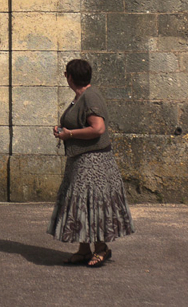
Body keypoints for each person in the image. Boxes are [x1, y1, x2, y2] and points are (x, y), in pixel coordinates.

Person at [49, 59, 135, 267]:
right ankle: (84, 249)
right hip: (81, 161)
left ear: (69, 76)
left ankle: (101, 248)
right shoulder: (80, 97)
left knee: (92, 204)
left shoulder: (90, 96)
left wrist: (68, 134)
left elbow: (98, 129)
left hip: (93, 163)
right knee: (81, 205)